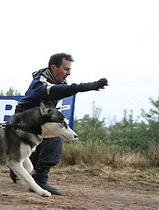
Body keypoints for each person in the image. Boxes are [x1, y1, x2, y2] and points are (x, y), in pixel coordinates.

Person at [10, 53, 108, 195]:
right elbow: (55, 91)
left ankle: (19, 169)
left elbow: (61, 91)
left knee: (44, 141)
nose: (68, 73)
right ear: (54, 67)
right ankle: (40, 180)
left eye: (70, 70)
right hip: (23, 123)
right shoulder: (40, 82)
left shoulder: (59, 81)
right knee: (55, 135)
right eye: (66, 69)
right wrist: (86, 86)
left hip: (39, 122)